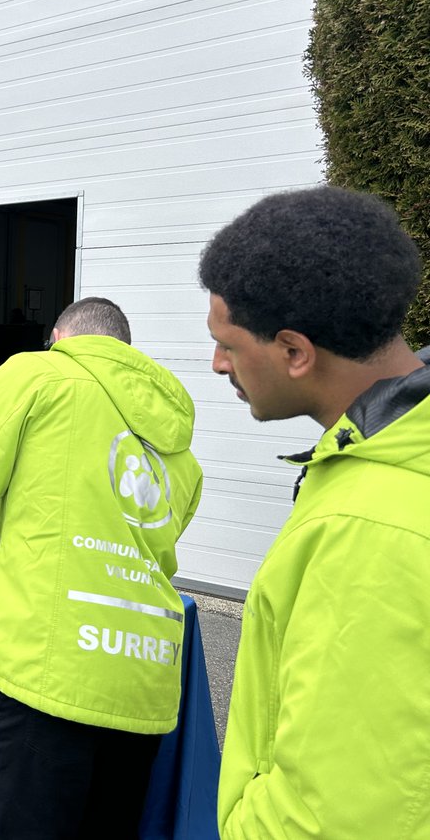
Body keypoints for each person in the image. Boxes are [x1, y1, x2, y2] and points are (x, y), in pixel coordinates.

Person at [0, 297, 204, 840]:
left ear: (57, 336)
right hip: (142, 690)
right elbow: (124, 557)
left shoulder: (38, 374)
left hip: (46, 689)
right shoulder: (180, 450)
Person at [199, 185, 430, 837]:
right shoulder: (385, 454)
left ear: (295, 352)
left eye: (228, 344)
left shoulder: (371, 529)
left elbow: (327, 816)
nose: (216, 364)